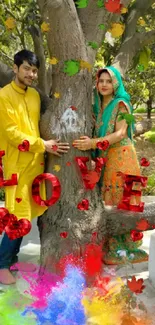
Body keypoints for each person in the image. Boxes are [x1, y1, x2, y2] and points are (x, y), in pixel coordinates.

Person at [0, 49, 70, 284]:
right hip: (17, 166)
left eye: (34, 70)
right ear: (15, 68)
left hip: (36, 166)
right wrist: (44, 145)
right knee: (17, 216)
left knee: (26, 216)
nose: (31, 74)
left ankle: (11, 260)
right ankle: (1, 265)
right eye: (27, 69)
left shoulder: (35, 96)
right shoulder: (3, 96)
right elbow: (12, 134)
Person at [73, 66, 148, 265]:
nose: (104, 85)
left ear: (115, 84)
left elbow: (121, 134)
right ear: (96, 84)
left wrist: (92, 143)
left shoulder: (121, 104)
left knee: (122, 200)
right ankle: (114, 246)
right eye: (101, 81)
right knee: (110, 202)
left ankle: (127, 248)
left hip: (122, 157)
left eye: (108, 81)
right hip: (107, 159)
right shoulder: (97, 107)